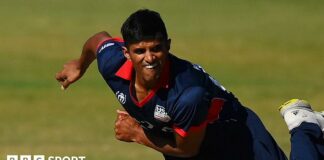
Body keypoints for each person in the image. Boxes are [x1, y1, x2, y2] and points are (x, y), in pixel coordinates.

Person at [55, 9, 323, 159]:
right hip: (183, 144)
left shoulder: (187, 92)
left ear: (168, 46)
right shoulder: (112, 62)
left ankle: (303, 124)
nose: (150, 59)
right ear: (127, 52)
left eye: (157, 49)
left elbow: (187, 149)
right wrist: (80, 65)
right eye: (140, 51)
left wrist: (137, 134)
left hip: (234, 135)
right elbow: (98, 40)